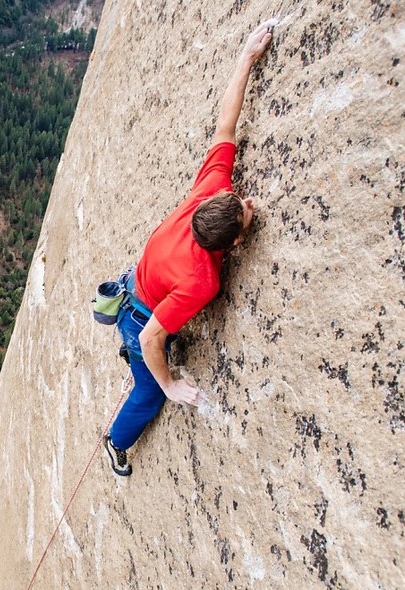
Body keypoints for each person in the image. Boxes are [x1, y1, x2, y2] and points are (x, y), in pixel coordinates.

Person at [104, 19, 276, 477]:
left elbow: (227, 122)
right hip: (139, 317)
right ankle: (115, 443)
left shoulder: (210, 190)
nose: (247, 201)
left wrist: (246, 58)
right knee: (148, 392)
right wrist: (169, 383)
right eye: (244, 209)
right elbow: (150, 338)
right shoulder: (203, 279)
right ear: (234, 243)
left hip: (141, 285)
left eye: (239, 202)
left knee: (156, 340)